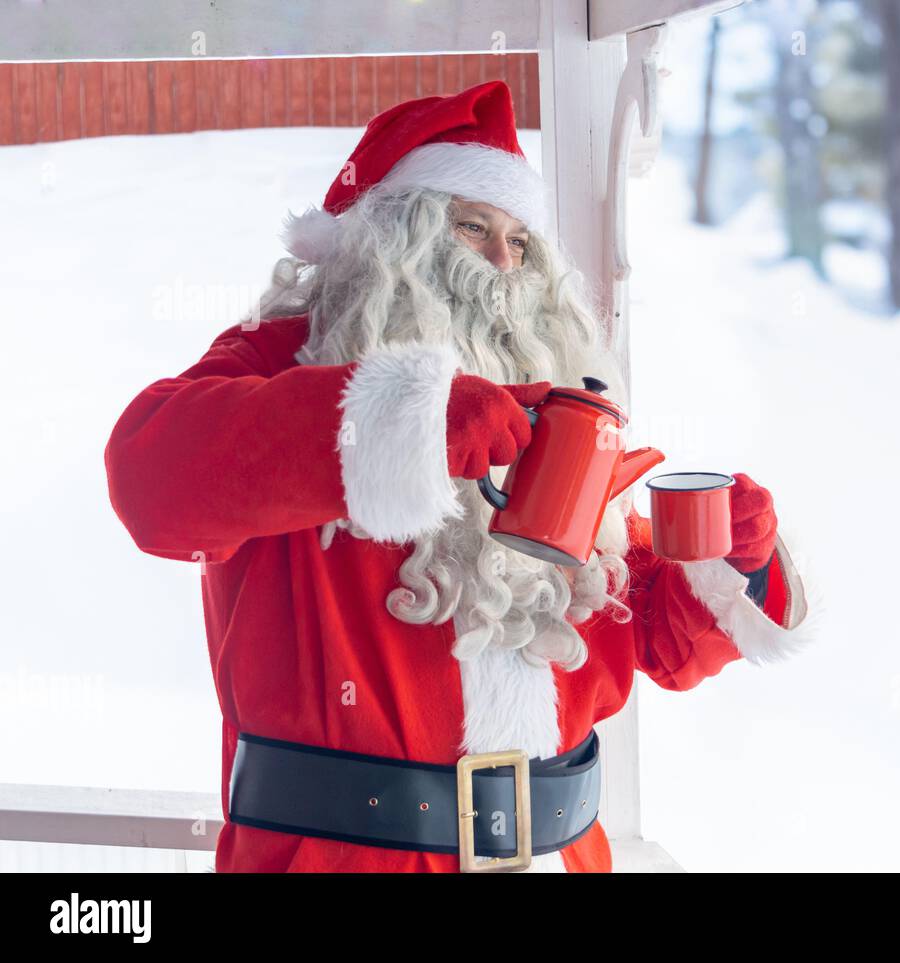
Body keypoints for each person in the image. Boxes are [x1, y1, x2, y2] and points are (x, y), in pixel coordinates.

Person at [104, 79, 815, 873]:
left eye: (520, 240)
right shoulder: (288, 360)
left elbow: (638, 628)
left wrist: (730, 564)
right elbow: (150, 484)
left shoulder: (551, 391)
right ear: (390, 235)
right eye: (472, 226)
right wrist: (405, 420)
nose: (503, 262)